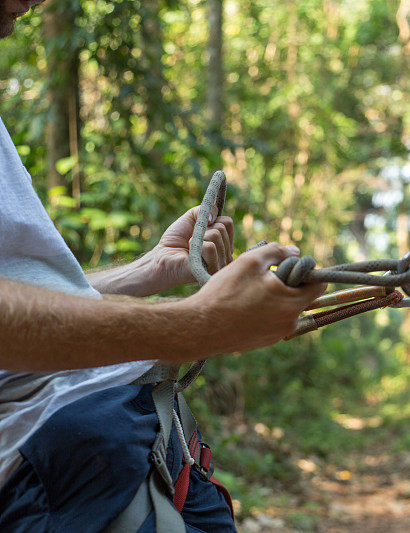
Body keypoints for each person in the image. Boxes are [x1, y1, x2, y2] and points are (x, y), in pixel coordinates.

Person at [0, 1, 326, 530]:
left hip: (141, 444)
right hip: (56, 474)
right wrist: (195, 325)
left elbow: (20, 289)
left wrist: (147, 272)